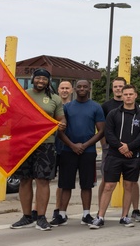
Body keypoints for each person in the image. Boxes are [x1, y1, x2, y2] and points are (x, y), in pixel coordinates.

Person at [12, 68, 66, 231]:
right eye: (38, 78)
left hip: (46, 144)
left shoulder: (54, 99)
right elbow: (13, 115)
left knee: (43, 180)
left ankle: (41, 217)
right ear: (33, 79)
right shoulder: (23, 95)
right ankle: (27, 216)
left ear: (49, 81)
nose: (41, 81)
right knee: (24, 179)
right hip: (25, 143)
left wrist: (62, 124)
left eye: (44, 79)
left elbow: (60, 118)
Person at [90, 84, 140, 228]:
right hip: (114, 156)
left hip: (133, 156)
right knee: (109, 185)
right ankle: (100, 216)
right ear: (122, 96)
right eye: (125, 94)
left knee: (129, 186)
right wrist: (121, 147)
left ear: (135, 95)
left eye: (131, 94)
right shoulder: (113, 114)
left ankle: (125, 216)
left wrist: (129, 147)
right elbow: (108, 133)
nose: (128, 96)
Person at [52, 79, 104, 226]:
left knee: (86, 185)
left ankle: (86, 214)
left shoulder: (96, 107)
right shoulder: (67, 107)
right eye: (79, 86)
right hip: (68, 150)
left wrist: (85, 145)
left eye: (85, 87)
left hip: (88, 152)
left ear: (89, 88)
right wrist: (73, 145)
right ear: (75, 89)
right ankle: (61, 214)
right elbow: (60, 129)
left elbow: (101, 131)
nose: (82, 88)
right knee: (65, 184)